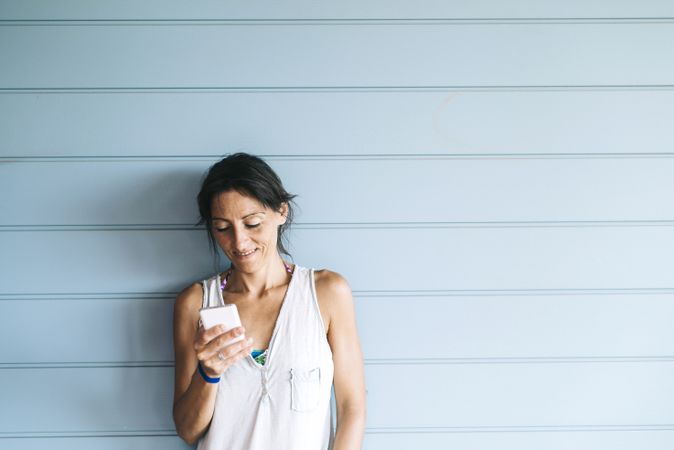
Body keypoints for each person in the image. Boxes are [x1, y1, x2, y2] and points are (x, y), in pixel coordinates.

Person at [172, 152, 366, 450]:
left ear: (281, 212)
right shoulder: (196, 303)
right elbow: (187, 430)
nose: (239, 242)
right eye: (223, 228)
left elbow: (352, 406)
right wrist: (208, 374)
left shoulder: (327, 292)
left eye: (252, 223)